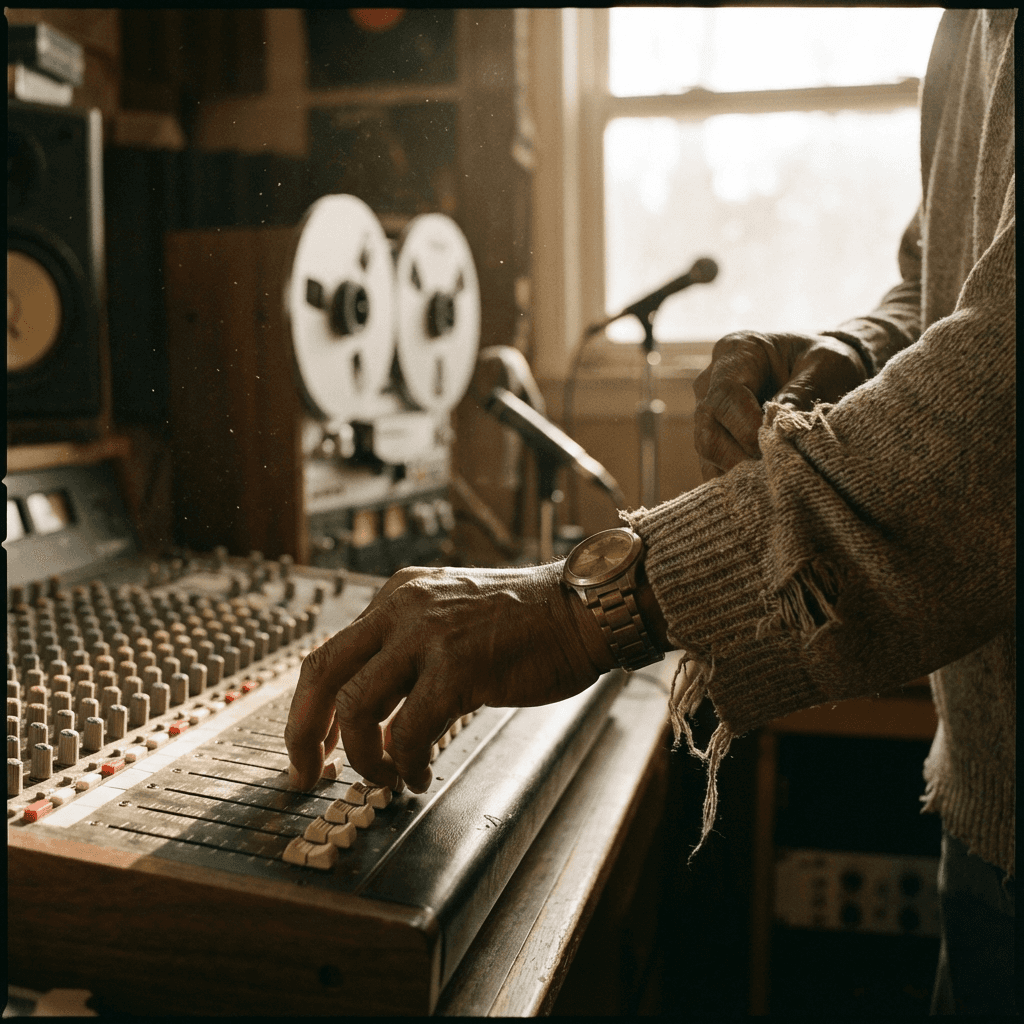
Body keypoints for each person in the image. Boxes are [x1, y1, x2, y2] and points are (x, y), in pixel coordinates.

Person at [286, 9, 1014, 1015]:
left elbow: (995, 423)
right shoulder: (967, 27)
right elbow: (935, 283)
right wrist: (846, 354)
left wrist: (584, 603)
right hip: (985, 803)